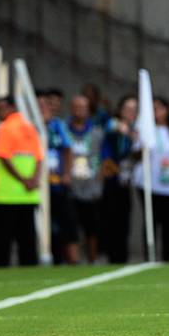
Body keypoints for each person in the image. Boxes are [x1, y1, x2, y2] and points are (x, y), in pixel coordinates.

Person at [0, 97, 43, 268]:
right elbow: (39, 158)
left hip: (4, 196)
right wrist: (34, 180)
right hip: (28, 196)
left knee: (1, 245)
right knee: (27, 243)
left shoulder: (5, 128)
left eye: (1, 108)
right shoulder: (30, 128)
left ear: (12, 107)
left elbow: (3, 156)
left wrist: (23, 180)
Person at [132, 97, 169, 262]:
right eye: (153, 109)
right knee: (151, 218)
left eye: (159, 108)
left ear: (167, 110)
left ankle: (167, 256)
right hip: (149, 182)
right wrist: (140, 138)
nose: (157, 112)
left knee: (168, 220)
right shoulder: (145, 129)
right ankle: (149, 256)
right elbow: (136, 154)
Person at [38, 90, 77, 264]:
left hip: (57, 184)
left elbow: (68, 149)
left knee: (67, 223)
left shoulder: (57, 125)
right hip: (37, 185)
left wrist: (67, 174)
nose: (44, 109)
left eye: (46, 105)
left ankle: (73, 261)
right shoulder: (29, 126)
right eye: (40, 105)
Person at [101, 96, 138, 264]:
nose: (131, 113)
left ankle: (122, 255)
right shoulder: (115, 124)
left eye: (134, 110)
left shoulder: (136, 128)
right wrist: (126, 130)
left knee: (125, 217)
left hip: (127, 179)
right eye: (127, 109)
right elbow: (111, 127)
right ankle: (111, 255)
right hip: (112, 176)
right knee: (110, 217)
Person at [68, 95, 104, 263]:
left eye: (83, 107)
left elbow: (104, 158)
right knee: (70, 227)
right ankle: (72, 261)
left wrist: (100, 180)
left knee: (93, 228)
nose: (79, 111)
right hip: (70, 186)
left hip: (91, 186)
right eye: (76, 107)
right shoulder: (64, 130)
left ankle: (92, 260)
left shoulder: (97, 132)